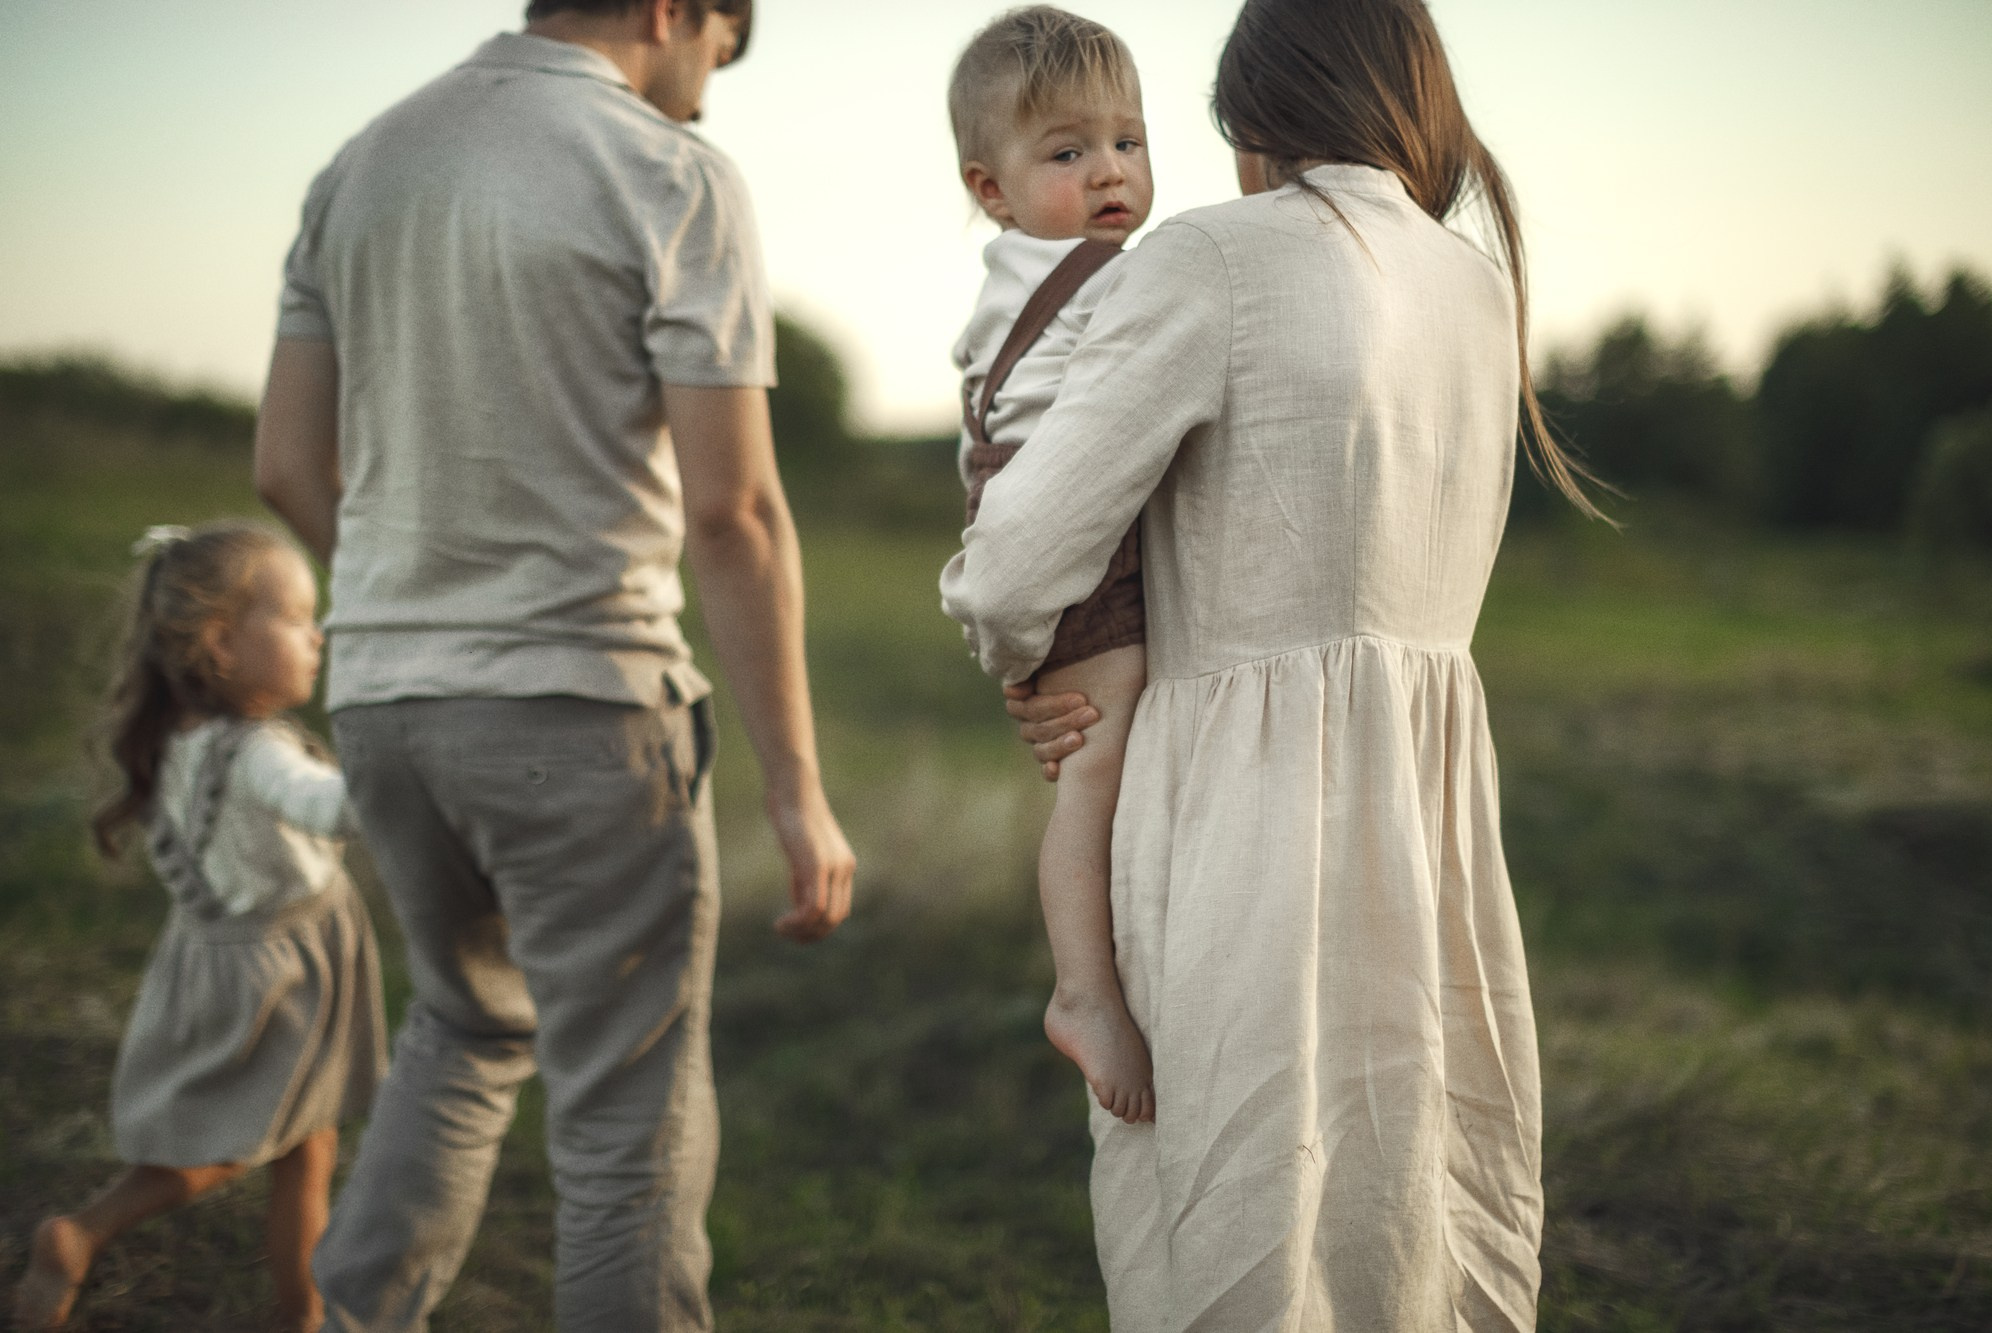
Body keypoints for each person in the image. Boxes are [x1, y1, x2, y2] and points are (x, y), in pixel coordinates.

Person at [944, 0, 1601, 1324]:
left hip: (1232, 817)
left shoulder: (1208, 260)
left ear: (1252, 118)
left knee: (1240, 1209)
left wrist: (1026, 663)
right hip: (1426, 816)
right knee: (1409, 1189)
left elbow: (1014, 566)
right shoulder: (1476, 286)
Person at [252, 0, 856, 1327]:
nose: (701, 95)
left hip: (386, 705)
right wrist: (798, 787)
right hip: (585, 707)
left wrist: (416, 604)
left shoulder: (362, 163)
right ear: (672, 11)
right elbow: (735, 515)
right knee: (628, 1121)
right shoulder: (670, 172)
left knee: (464, 1026)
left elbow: (287, 466)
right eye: (714, 57)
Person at [13, 521, 387, 1333]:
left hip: (216, 958)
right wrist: (398, 754)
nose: (317, 635)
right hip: (282, 975)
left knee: (306, 1146)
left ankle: (302, 1315)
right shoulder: (259, 753)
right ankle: (85, 1230)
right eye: (297, 618)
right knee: (250, 1146)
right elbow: (329, 808)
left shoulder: (175, 739)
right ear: (221, 644)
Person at [944, 7, 1156, 1126]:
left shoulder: (1017, 275)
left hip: (1030, 517)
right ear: (992, 189)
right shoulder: (1107, 281)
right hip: (1069, 544)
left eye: (1127, 140)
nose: (1110, 171)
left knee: (1100, 756)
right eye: (1068, 153)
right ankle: (1082, 989)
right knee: (1096, 758)